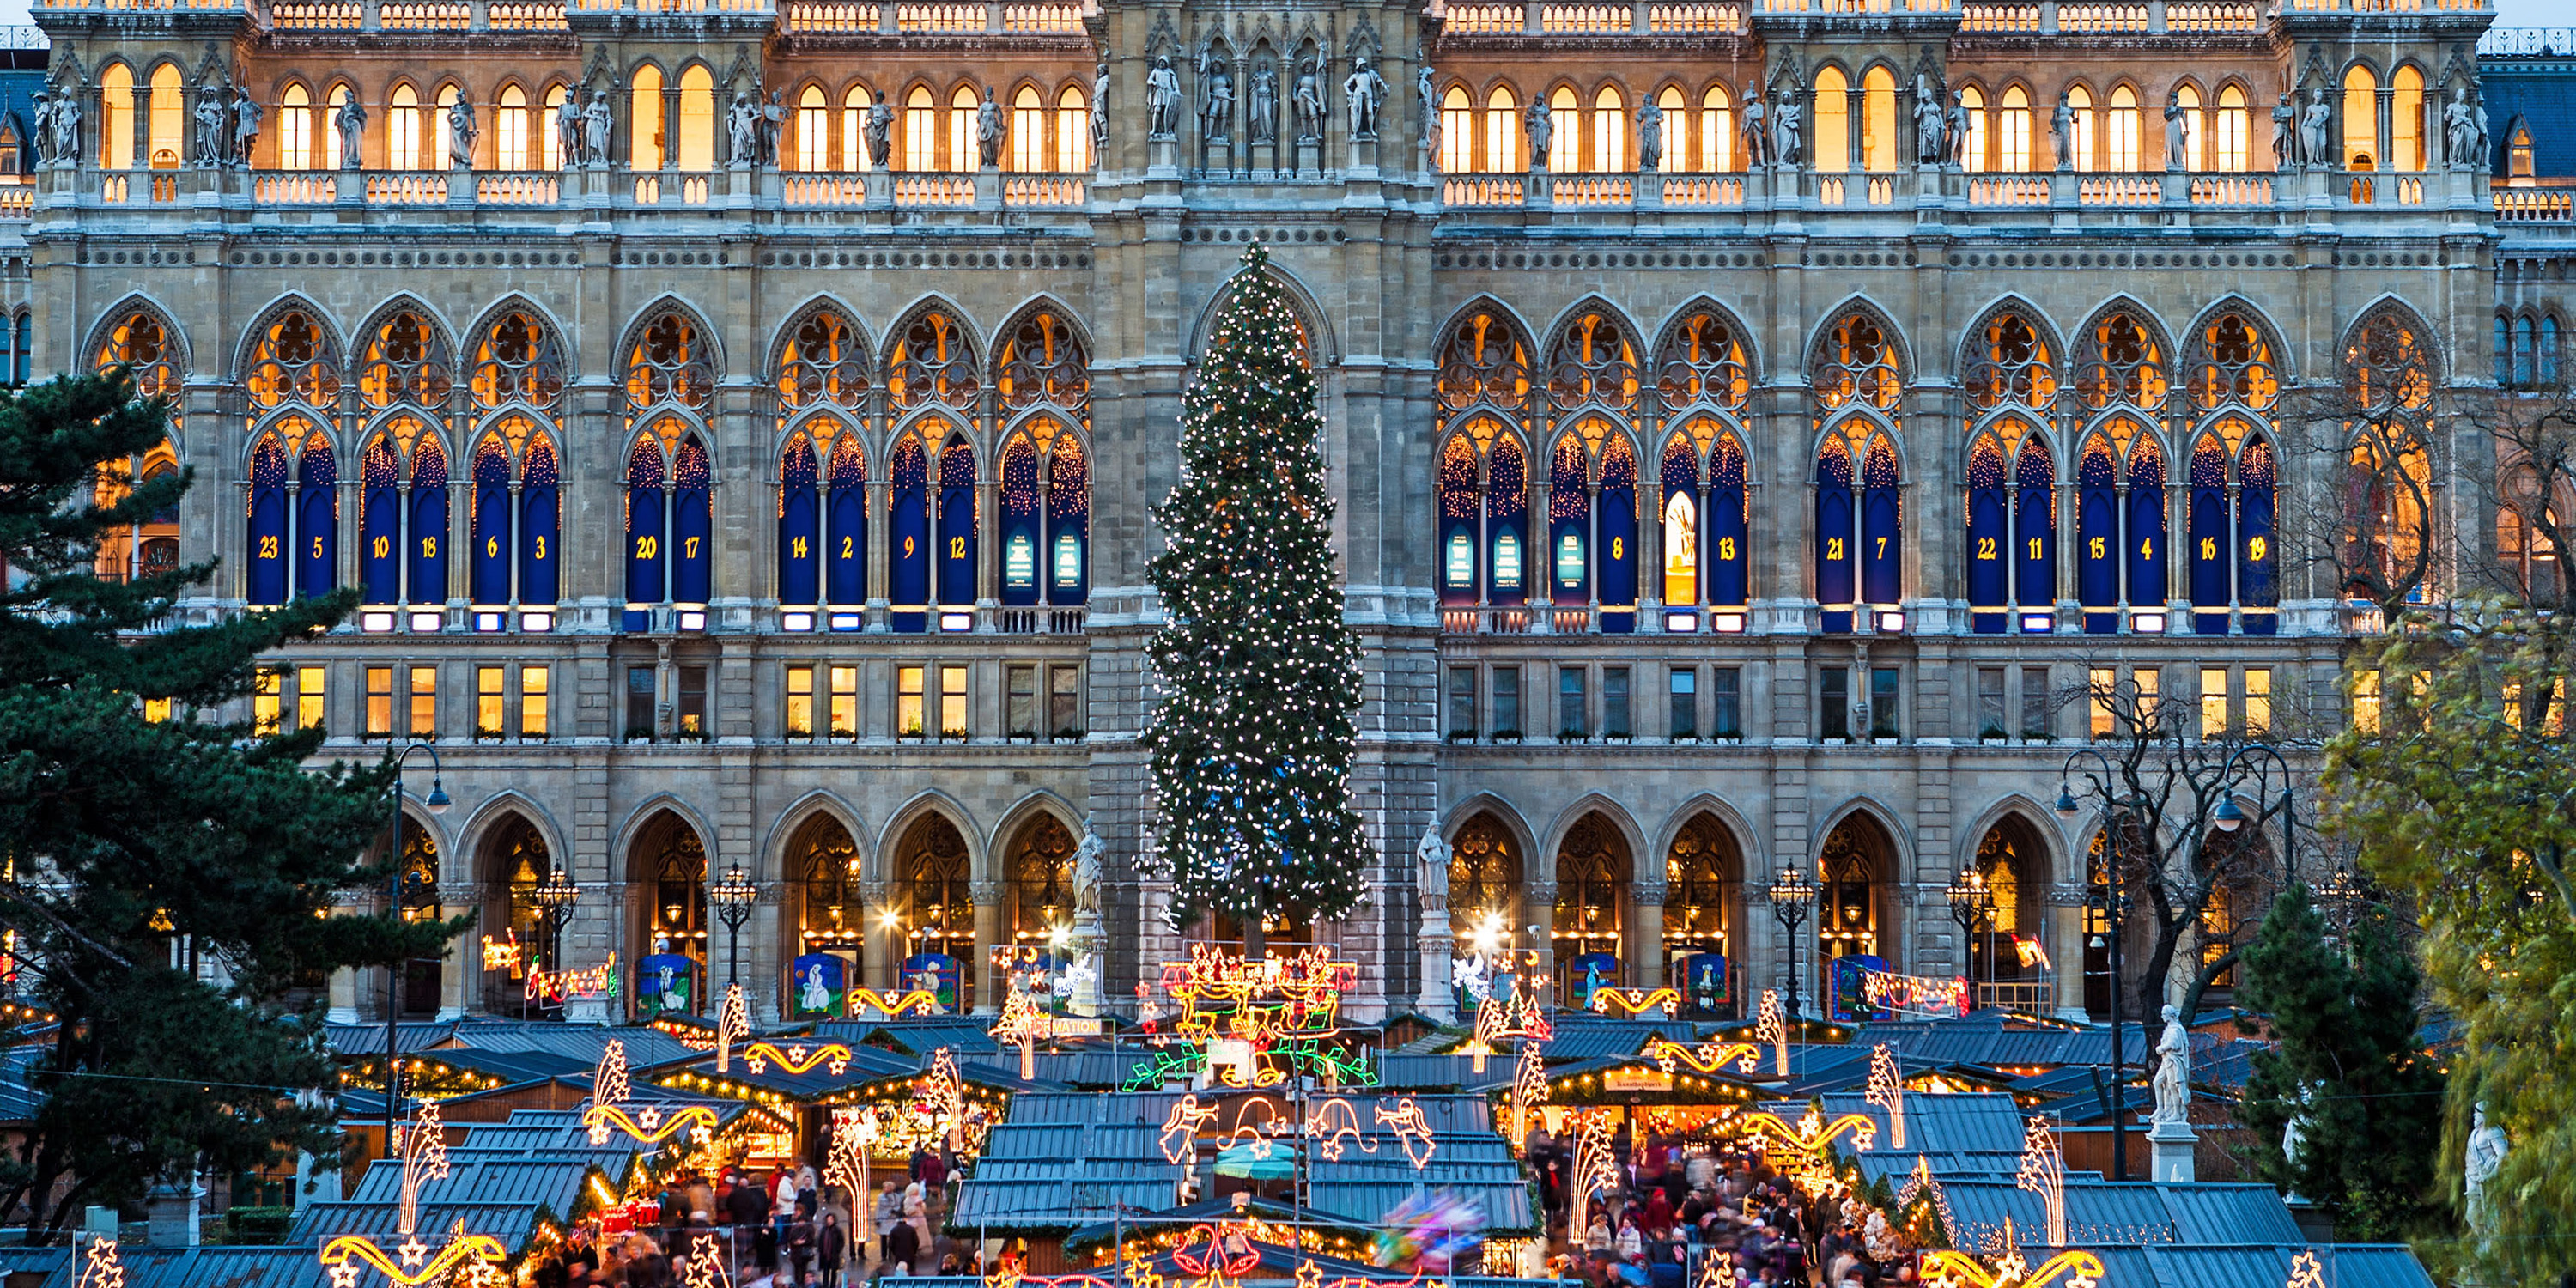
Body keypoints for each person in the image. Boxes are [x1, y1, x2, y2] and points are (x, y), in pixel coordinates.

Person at [784, 1214, 817, 1288]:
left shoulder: (809, 1230)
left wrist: (803, 1242)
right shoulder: (794, 1230)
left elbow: (812, 1240)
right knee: (796, 1271)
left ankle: (803, 1283)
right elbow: (790, 1240)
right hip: (796, 1254)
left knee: (803, 1270)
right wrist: (795, 1242)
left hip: (804, 1254)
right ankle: (797, 1283)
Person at [817, 1212, 848, 1288]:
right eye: (828, 1219)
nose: (829, 1221)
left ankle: (832, 1286)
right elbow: (819, 1241)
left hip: (834, 1255)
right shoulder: (823, 1230)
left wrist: (838, 1250)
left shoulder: (837, 1230)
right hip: (825, 1255)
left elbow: (841, 1241)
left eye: (831, 1219)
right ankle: (825, 1285)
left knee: (834, 1272)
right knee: (826, 1272)